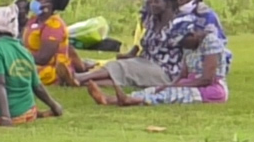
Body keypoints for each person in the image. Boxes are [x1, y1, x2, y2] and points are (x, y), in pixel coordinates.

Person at [0, 6, 65, 125]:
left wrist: (5, 117)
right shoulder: (25, 51)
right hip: (28, 112)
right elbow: (37, 86)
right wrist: (54, 105)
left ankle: (10, 116)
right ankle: (35, 114)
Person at [91, 14, 230, 106]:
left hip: (211, 90)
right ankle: (112, 99)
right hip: (192, 83)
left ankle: (129, 101)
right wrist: (170, 84)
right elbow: (183, 74)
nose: (183, 47)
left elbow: (207, 79)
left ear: (193, 35)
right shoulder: (188, 45)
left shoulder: (211, 42)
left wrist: (175, 87)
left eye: (184, 42)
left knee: (172, 94)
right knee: (156, 90)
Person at [76, 0, 183, 92]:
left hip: (164, 70)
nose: (152, 4)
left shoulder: (178, 24)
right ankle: (81, 82)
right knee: (120, 74)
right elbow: (143, 45)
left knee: (123, 67)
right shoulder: (152, 21)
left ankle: (80, 78)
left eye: (156, 2)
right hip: (145, 62)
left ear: (168, 5)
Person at [25, 0, 79, 86]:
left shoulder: (54, 25)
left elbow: (43, 58)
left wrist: (18, 55)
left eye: (39, 1)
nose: (34, 3)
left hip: (50, 69)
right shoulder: (33, 20)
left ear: (49, 6)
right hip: (31, 63)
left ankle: (64, 78)